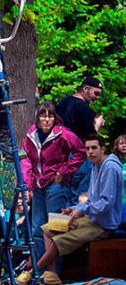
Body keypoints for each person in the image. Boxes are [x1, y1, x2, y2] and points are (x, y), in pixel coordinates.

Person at [16, 134, 124, 285]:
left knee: (60, 240)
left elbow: (106, 203)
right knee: (49, 228)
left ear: (103, 149)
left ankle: (32, 272)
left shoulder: (110, 167)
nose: (90, 152)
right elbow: (91, 200)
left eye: (94, 148)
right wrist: (72, 209)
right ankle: (52, 274)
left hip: (103, 224)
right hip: (91, 218)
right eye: (87, 149)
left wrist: (81, 211)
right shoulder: (95, 167)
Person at [21, 101, 86, 258]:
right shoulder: (31, 135)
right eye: (43, 116)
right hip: (38, 187)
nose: (46, 120)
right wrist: (27, 184)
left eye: (50, 116)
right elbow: (26, 160)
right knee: (38, 229)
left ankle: (54, 272)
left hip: (55, 186)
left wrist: (63, 170)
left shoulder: (63, 134)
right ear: (37, 118)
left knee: (56, 227)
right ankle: (40, 272)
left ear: (55, 118)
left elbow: (80, 152)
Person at [112, 134, 126, 229]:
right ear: (116, 146)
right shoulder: (112, 162)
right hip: (116, 201)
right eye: (121, 143)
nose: (124, 145)